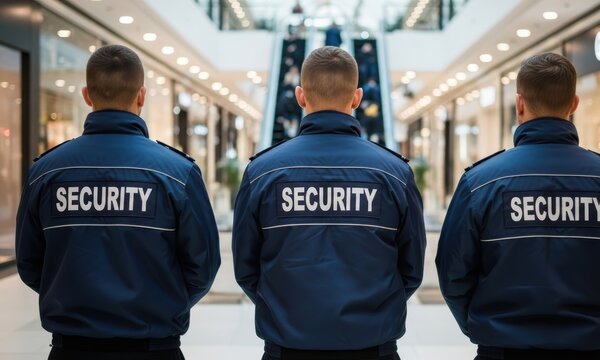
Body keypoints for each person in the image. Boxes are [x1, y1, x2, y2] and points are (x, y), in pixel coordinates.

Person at [436, 52, 600, 360]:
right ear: (573, 104)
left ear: (519, 104)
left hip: (503, 347)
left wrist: (485, 325)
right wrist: (591, 324)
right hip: (590, 349)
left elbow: (453, 272)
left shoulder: (480, 183)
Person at [15, 44, 220, 360]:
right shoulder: (178, 173)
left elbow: (30, 262)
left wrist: (73, 299)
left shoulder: (47, 171)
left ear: (87, 95)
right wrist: (163, 301)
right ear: (141, 95)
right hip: (154, 347)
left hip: (71, 347)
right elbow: (203, 265)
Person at [233, 46, 426, 360]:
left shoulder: (263, 172)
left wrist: (287, 313)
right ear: (357, 97)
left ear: (300, 96)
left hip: (288, 346)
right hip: (372, 347)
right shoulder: (394, 173)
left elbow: (246, 267)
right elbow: (411, 269)